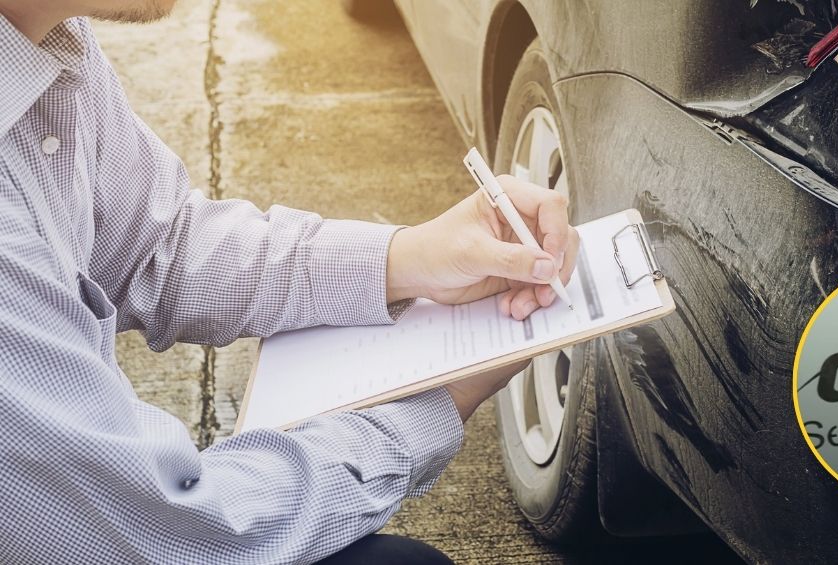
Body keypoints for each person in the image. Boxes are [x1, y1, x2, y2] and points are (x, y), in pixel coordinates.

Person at [0, 1, 578, 563]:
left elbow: (159, 247)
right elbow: (166, 531)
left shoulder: (47, 43)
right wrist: (436, 402)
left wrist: (408, 258)